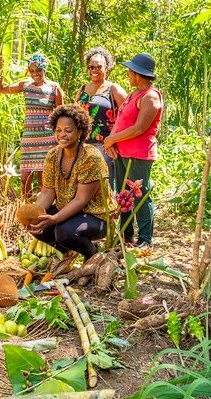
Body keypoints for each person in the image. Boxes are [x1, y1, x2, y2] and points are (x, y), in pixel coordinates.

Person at [27, 104, 110, 259]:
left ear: (80, 131)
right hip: (67, 210)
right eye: (58, 130)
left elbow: (81, 200)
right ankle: (67, 254)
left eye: (68, 130)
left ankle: (92, 255)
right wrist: (35, 214)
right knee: (37, 224)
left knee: (64, 232)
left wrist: (55, 219)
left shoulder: (91, 157)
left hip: (95, 215)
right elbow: (47, 191)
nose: (62, 135)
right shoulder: (52, 156)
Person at [103, 53, 163, 248]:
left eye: (130, 71)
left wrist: (112, 138)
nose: (128, 74)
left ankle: (145, 238)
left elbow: (139, 128)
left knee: (139, 195)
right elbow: (120, 121)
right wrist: (111, 142)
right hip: (122, 152)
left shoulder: (151, 96)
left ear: (139, 74)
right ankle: (125, 235)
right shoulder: (133, 94)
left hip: (138, 154)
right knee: (123, 194)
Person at [0, 53, 64, 197]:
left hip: (48, 138)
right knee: (25, 176)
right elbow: (2, 89)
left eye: (38, 70)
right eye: (32, 70)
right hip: (29, 137)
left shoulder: (54, 88)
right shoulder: (25, 85)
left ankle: (41, 210)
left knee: (43, 179)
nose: (35, 74)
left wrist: (60, 137)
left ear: (44, 69)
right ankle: (25, 205)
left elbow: (60, 115)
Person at [76, 47, 127, 181]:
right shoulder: (82, 89)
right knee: (85, 184)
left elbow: (128, 116)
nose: (94, 70)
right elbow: (74, 115)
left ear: (107, 67)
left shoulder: (113, 89)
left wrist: (114, 139)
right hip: (83, 145)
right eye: (91, 67)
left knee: (105, 185)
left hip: (106, 146)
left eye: (99, 67)